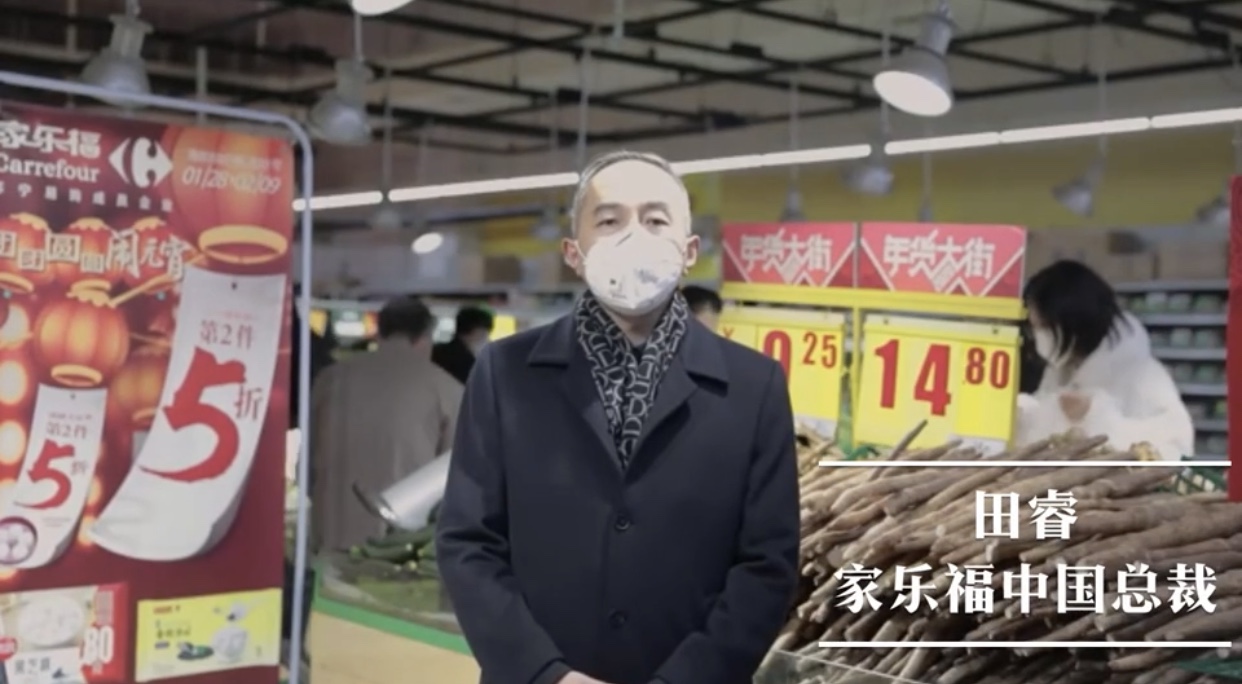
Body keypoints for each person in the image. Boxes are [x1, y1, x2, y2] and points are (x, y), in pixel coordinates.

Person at [436, 150, 800, 684]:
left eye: (656, 220)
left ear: (689, 251)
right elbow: (468, 542)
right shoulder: (505, 372)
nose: (634, 237)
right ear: (574, 252)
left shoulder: (754, 386)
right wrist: (544, 673)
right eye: (609, 221)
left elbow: (767, 564)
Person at [310, 296, 463, 552]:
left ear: (379, 333)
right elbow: (454, 479)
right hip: (399, 549)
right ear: (424, 338)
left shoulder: (331, 378)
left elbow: (307, 463)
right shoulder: (447, 388)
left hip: (330, 534)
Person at [1013, 259, 1193, 460]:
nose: (1039, 336)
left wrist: (1097, 417)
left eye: (1045, 327)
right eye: (1035, 327)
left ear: (1074, 321)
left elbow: (1178, 450)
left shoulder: (1144, 377)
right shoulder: (1061, 368)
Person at [432, 305, 495, 384]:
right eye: (485, 334)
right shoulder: (469, 366)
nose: (488, 340)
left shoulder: (435, 352)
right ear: (476, 332)